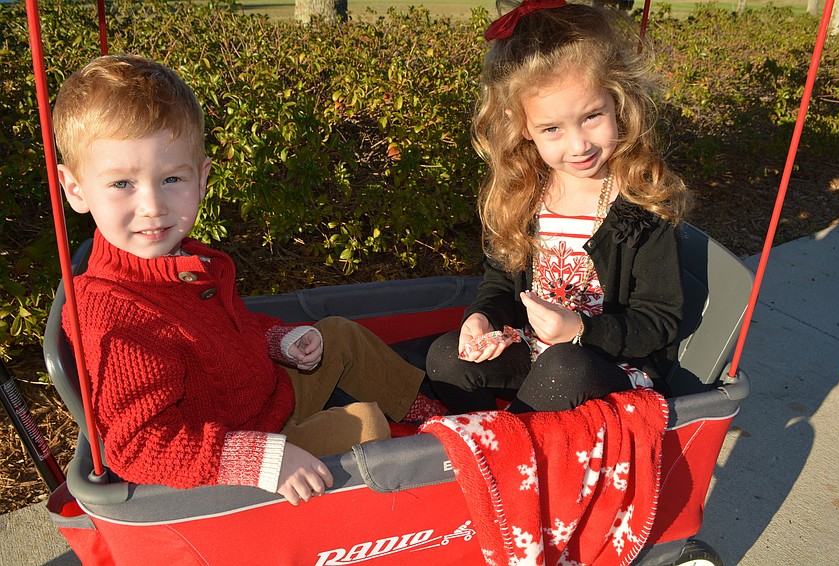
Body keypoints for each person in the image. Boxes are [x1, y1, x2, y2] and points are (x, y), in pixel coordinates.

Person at [53, 54, 432, 505]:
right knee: (366, 424)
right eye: (122, 184)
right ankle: (425, 475)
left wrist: (278, 341)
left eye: (172, 178)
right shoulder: (113, 314)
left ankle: (434, 419)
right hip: (236, 452)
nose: (153, 205)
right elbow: (137, 446)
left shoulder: (187, 261)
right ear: (76, 190)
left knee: (338, 336)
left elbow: (230, 332)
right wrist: (259, 460)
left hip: (264, 397)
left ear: (202, 179)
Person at [426, 0, 688, 415]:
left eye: (592, 117)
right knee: (445, 357)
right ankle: (487, 436)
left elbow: (658, 321)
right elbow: (499, 287)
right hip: (533, 350)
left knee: (564, 365)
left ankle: (510, 450)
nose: (579, 144)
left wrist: (581, 330)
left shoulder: (640, 208)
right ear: (523, 126)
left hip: (604, 365)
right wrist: (482, 320)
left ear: (617, 101)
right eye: (552, 129)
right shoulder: (525, 196)